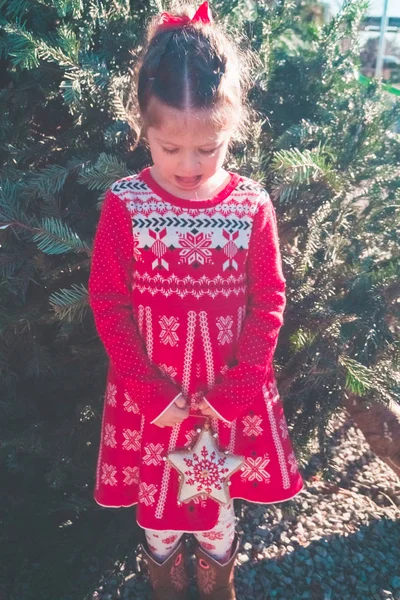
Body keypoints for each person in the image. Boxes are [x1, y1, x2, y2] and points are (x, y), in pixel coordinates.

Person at [88, 2, 304, 598]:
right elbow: (108, 299)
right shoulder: (126, 204)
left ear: (231, 128)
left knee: (217, 507)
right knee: (159, 512)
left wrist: (240, 386)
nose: (188, 165)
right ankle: (166, 587)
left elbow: (269, 298)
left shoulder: (250, 204)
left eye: (208, 148)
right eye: (169, 148)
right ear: (144, 131)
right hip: (152, 396)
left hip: (225, 394)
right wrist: (147, 389)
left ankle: (218, 588)